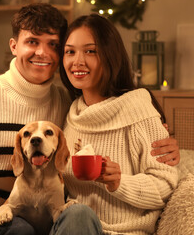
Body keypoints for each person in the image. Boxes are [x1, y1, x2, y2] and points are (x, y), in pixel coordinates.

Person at [0, 4, 179, 235]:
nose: (43, 53)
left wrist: (170, 146)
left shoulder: (65, 105)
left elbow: (153, 159)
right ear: (14, 46)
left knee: (21, 230)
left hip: (5, 224)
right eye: (32, 42)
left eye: (53, 45)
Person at [60, 14, 178, 234]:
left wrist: (119, 183)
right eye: (70, 51)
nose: (77, 61)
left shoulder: (138, 110)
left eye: (90, 51)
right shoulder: (70, 113)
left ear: (110, 56)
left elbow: (166, 185)